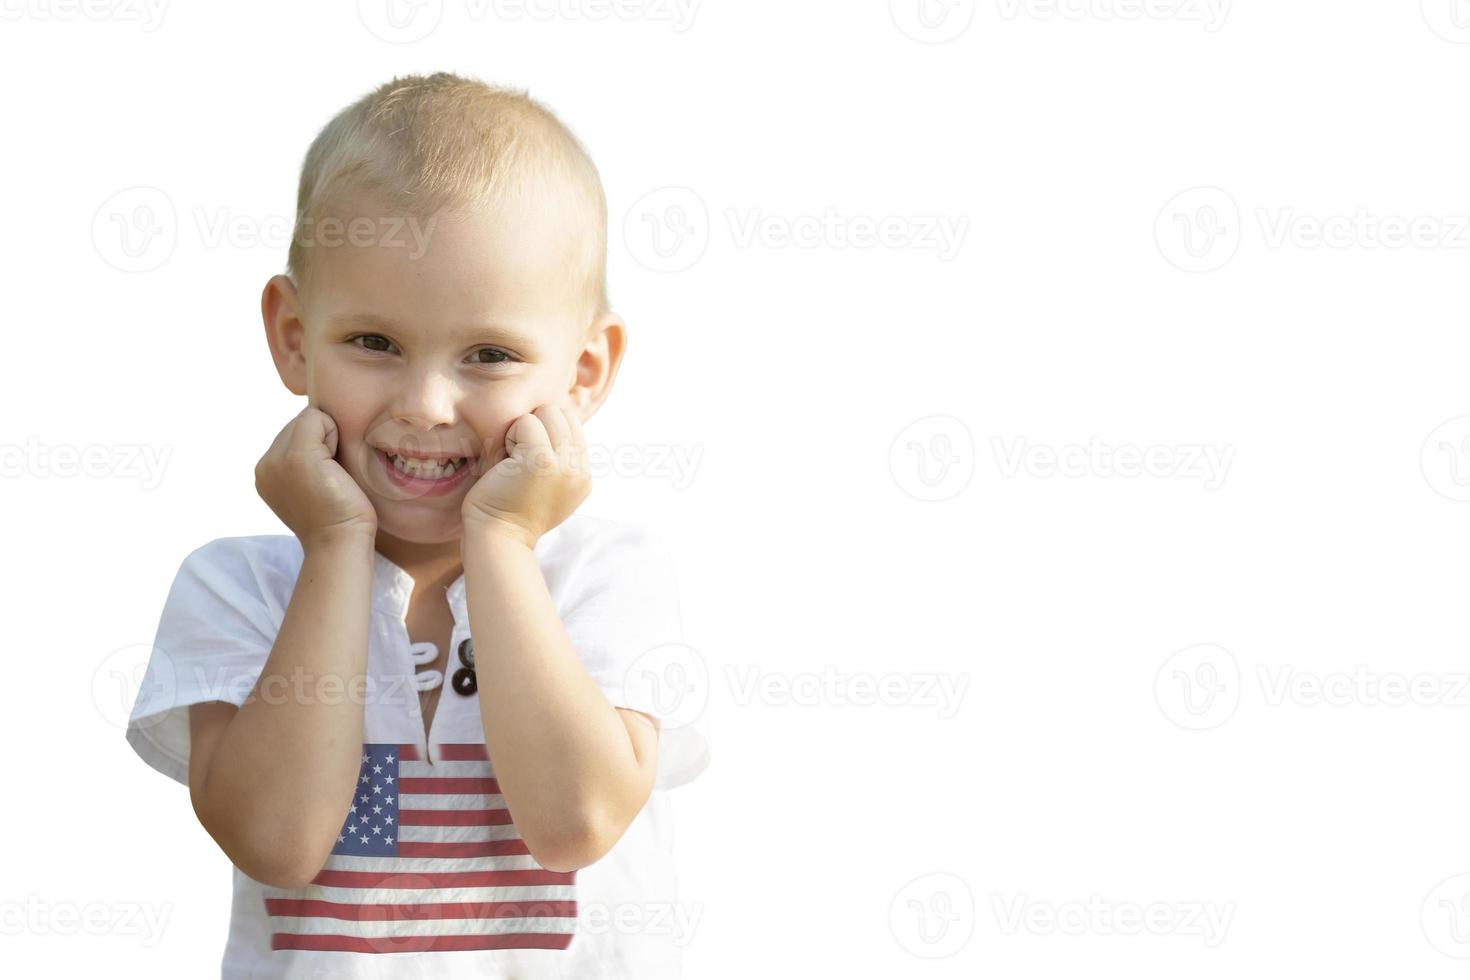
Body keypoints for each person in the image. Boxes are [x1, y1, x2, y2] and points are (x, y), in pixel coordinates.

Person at [124, 71, 710, 979]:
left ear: (586, 372)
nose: (428, 404)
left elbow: (574, 824)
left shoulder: (611, 577)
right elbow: (277, 843)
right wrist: (332, 549)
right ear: (292, 335)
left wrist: (504, 545)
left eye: (490, 354)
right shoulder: (236, 589)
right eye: (375, 343)